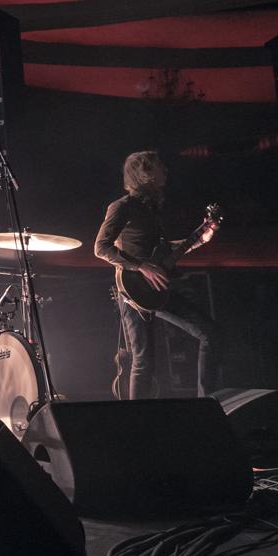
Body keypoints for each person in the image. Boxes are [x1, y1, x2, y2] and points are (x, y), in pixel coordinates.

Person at [94, 151, 219, 399]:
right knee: (143, 361)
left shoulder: (151, 209)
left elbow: (163, 251)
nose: (166, 170)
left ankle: (207, 402)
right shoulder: (122, 206)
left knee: (211, 334)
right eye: (159, 166)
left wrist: (199, 239)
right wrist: (142, 267)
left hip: (157, 288)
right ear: (145, 173)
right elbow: (101, 247)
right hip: (133, 291)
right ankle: (139, 418)